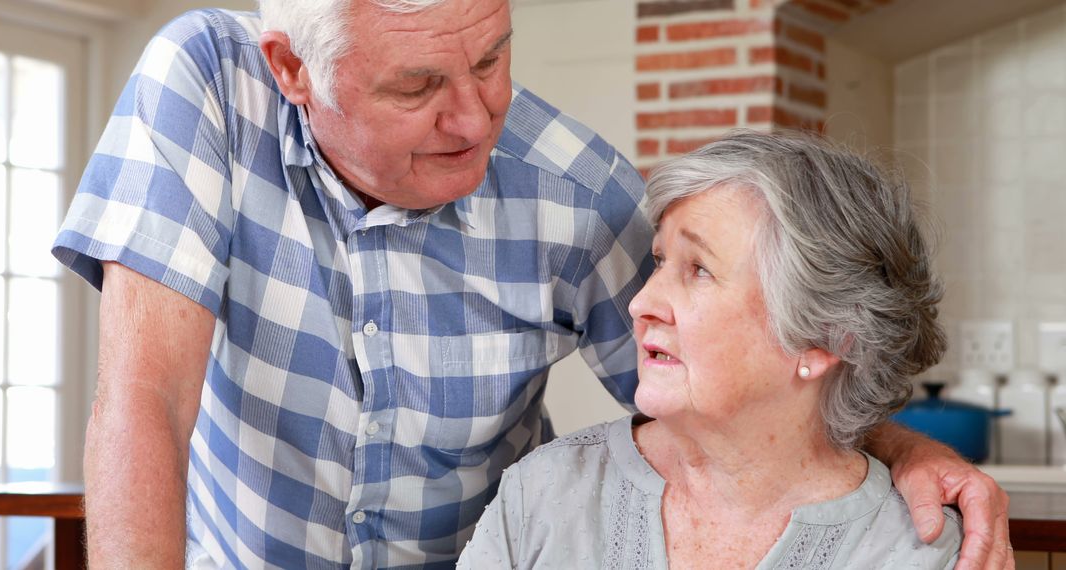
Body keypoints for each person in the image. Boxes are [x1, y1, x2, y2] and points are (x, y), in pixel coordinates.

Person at [50, 0, 1010, 567]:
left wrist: (894, 446)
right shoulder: (209, 87)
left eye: (492, 56)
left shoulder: (580, 193)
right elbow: (145, 398)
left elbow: (750, 362)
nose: (475, 119)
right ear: (296, 69)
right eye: (418, 87)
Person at [458, 131, 981, 569]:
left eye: (698, 269)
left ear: (823, 338)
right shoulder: (542, 494)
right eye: (660, 260)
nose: (640, 303)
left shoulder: (915, 549)